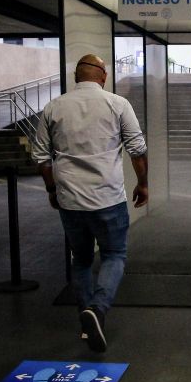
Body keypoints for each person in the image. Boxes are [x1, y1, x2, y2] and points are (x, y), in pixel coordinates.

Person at [32, 54, 148, 353]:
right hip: (108, 196)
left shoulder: (53, 107)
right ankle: (97, 309)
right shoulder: (118, 104)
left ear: (76, 77)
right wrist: (143, 183)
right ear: (103, 76)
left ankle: (87, 319)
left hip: (70, 200)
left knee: (81, 260)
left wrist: (51, 189)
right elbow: (137, 148)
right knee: (114, 255)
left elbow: (41, 157)